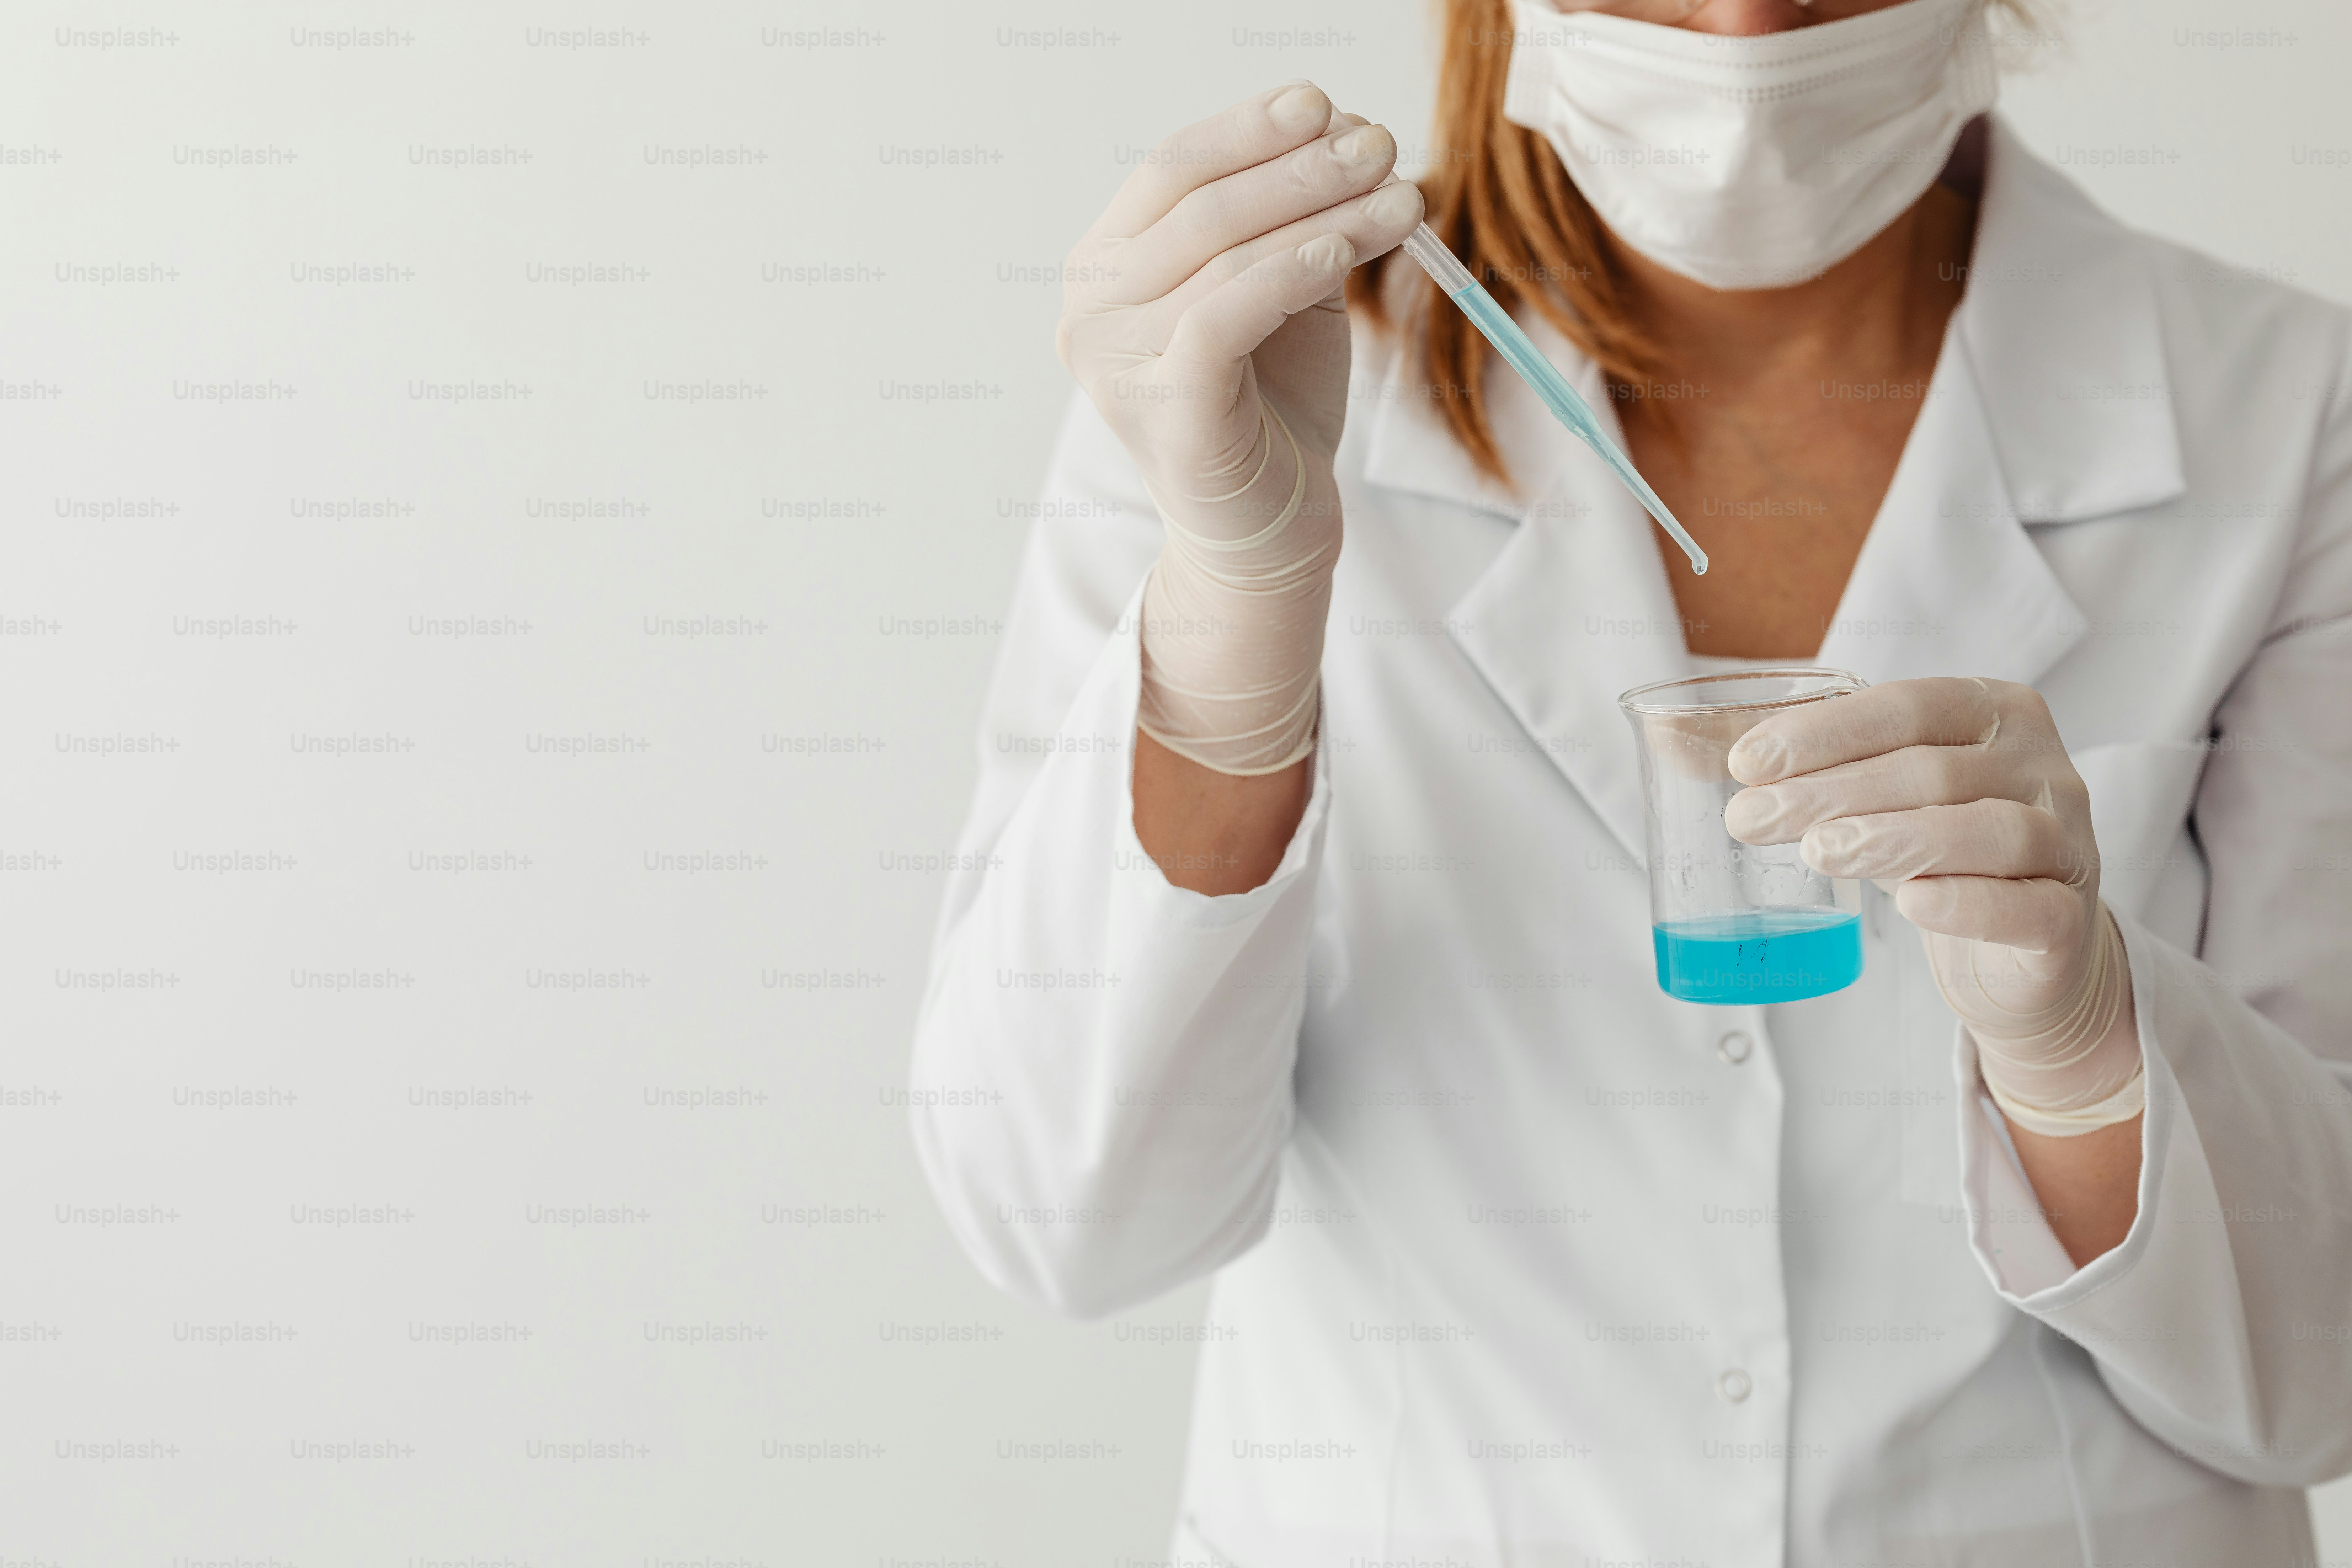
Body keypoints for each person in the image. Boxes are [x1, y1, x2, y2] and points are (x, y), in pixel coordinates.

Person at [911, 0, 2352, 1561]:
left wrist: (2090, 1057)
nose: (1740, 20)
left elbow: (2322, 1374)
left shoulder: (2280, 408)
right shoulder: (1233, 392)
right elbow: (1070, 1218)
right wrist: (1228, 639)